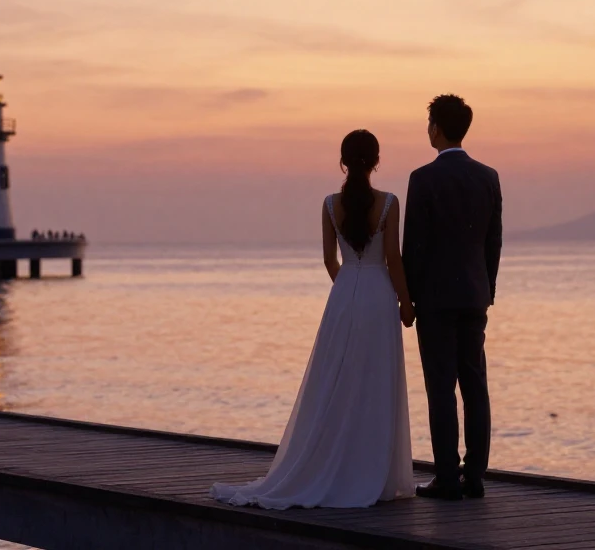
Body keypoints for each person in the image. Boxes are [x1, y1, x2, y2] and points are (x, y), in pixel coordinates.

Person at [210, 130, 416, 509]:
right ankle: (371, 471)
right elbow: (393, 258)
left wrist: (348, 289)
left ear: (343, 162)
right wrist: (405, 302)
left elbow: (329, 259)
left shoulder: (329, 204)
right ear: (376, 161)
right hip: (378, 296)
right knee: (375, 380)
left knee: (336, 379)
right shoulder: (389, 202)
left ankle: (334, 464)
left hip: (344, 295)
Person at [403, 94, 503, 501]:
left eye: (429, 123)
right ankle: (474, 475)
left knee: (441, 388)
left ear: (437, 128)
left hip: (435, 299)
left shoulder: (423, 178)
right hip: (474, 295)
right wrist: (486, 289)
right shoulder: (488, 176)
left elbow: (415, 245)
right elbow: (493, 241)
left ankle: (446, 476)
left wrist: (408, 298)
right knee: (475, 383)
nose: (427, 130)